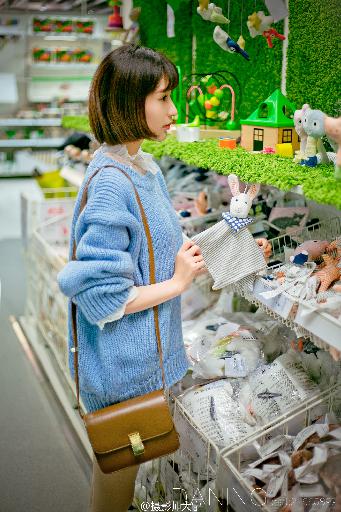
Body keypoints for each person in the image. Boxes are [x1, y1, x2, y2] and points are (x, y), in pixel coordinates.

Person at [57, 44, 207, 512]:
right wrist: (178, 283)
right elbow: (103, 298)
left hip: (142, 361)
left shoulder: (144, 166)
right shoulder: (111, 181)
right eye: (163, 98)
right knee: (116, 484)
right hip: (120, 370)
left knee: (123, 477)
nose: (173, 110)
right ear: (128, 101)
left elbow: (148, 244)